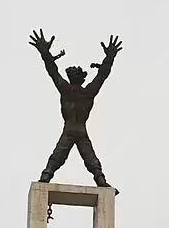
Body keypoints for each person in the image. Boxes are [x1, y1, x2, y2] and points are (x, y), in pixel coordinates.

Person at [29, 29, 122, 190]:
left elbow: (53, 71)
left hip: (72, 129)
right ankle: (98, 180)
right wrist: (109, 58)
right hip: (78, 129)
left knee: (65, 155)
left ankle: (47, 176)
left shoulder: (68, 89)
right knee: (86, 157)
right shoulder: (87, 92)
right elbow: (102, 75)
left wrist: (45, 53)